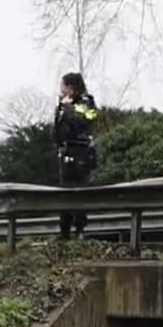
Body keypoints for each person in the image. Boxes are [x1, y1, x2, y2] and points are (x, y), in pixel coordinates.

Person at [52, 72, 99, 240]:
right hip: (65, 152)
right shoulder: (62, 104)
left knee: (79, 191)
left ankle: (80, 231)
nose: (60, 89)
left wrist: (68, 107)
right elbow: (58, 127)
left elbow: (87, 119)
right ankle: (64, 232)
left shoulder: (86, 102)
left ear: (71, 88)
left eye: (63, 86)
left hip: (81, 153)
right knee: (64, 192)